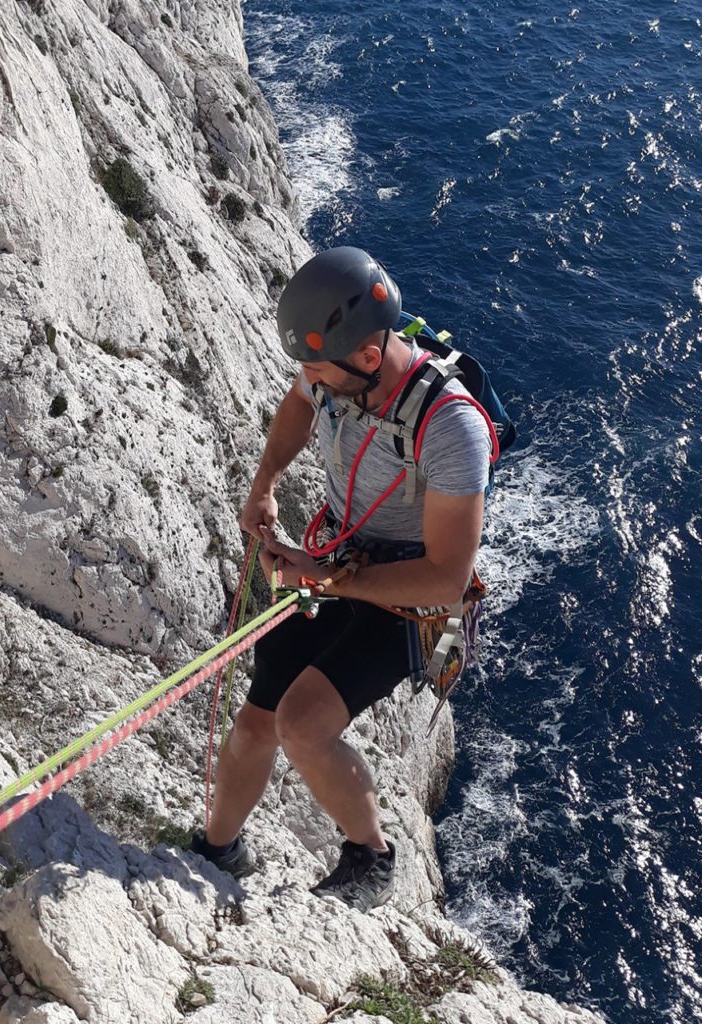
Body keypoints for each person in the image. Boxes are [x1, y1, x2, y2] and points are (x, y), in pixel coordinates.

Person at [190, 246, 493, 912]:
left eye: (317, 369)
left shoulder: (450, 428)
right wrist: (265, 485)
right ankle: (218, 847)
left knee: (302, 724)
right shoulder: (337, 374)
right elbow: (298, 406)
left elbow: (446, 575)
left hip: (411, 599)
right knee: (253, 726)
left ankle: (373, 857)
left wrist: (328, 580)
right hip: (341, 562)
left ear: (366, 357)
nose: (308, 381)